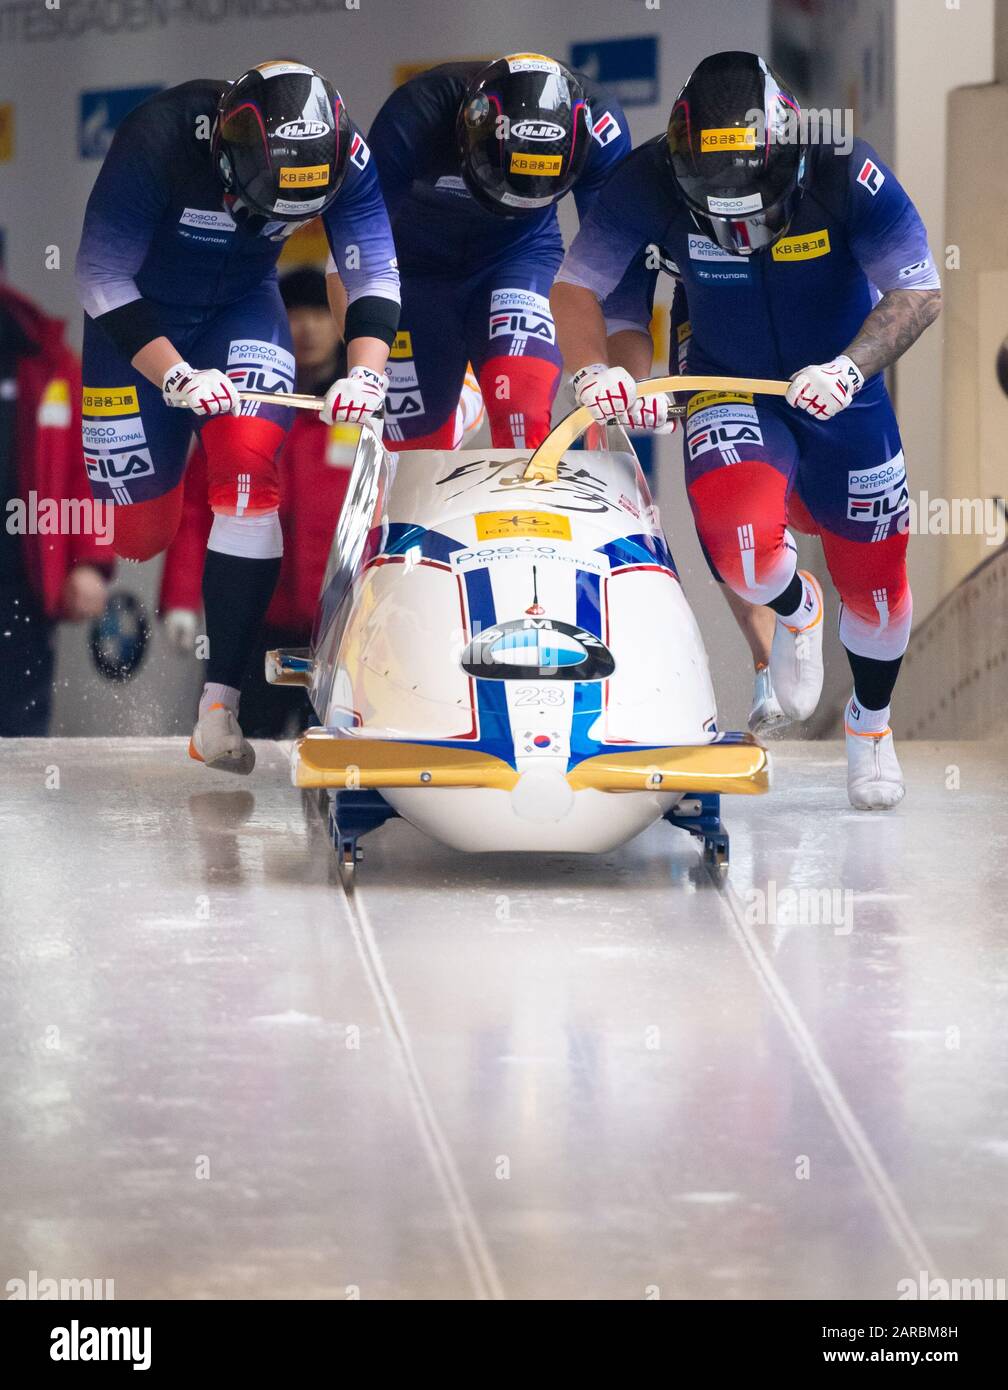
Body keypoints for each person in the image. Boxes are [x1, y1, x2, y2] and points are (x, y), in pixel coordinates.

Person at [551, 51, 942, 809]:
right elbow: (578, 284)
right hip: (729, 377)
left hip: (839, 385)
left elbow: (917, 287)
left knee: (881, 592)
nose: (741, 226)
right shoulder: (645, 180)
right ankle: (798, 606)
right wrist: (593, 371)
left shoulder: (845, 168)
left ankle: (871, 726)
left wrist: (852, 368)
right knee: (747, 553)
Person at [75, 60, 400, 774]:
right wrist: (174, 373)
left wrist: (368, 373)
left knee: (249, 472)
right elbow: (100, 275)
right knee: (140, 531)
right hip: (136, 328)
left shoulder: (346, 151)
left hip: (242, 310)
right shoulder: (157, 136)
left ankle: (217, 708)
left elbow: (373, 269)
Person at [362, 53, 637, 451]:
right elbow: (357, 254)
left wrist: (609, 377)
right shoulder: (416, 113)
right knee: (414, 450)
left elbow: (612, 270)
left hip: (518, 257)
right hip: (415, 272)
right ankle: (464, 404)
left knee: (522, 415)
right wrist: (364, 366)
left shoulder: (599, 125)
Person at [0, 279, 112, 735]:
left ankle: (16, 810)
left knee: (20, 725)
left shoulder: (48, 359)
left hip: (20, 585)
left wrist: (90, 563)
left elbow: (87, 469)